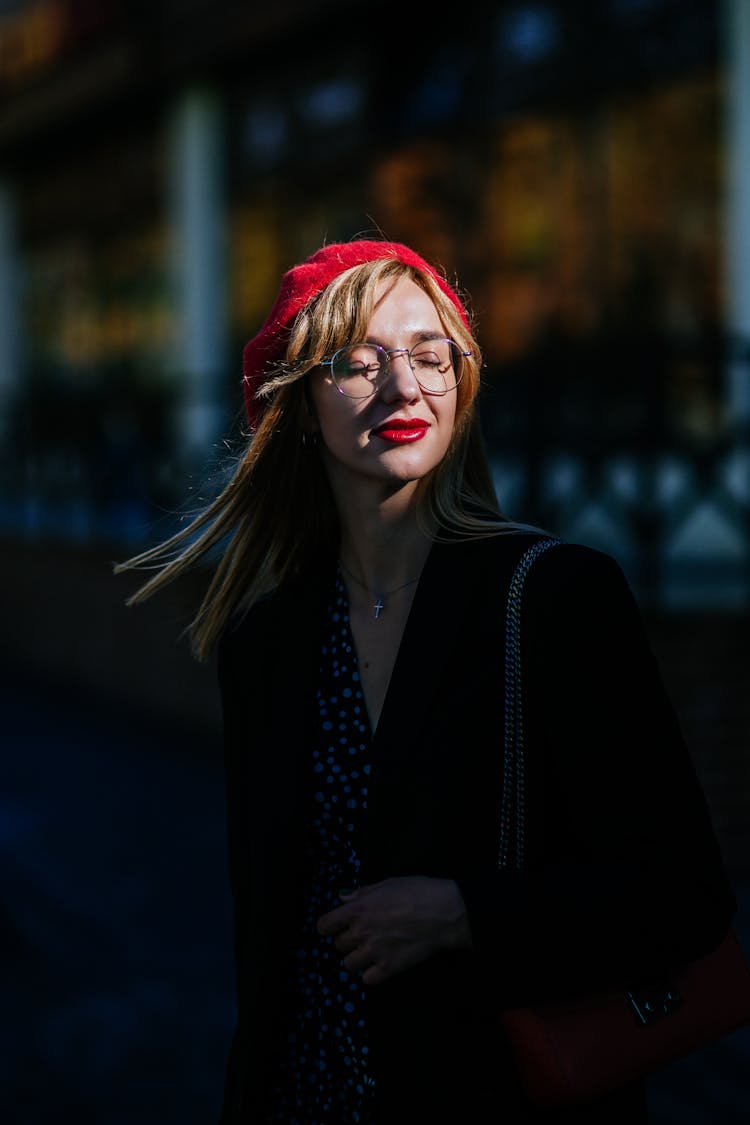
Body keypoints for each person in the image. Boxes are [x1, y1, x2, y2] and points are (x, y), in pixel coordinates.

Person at [116, 238, 737, 1124]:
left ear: (462, 382)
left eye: (428, 354)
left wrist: (465, 912)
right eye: (357, 362)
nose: (404, 388)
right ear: (292, 408)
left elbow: (684, 898)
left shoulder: (556, 597)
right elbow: (266, 941)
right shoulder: (266, 639)